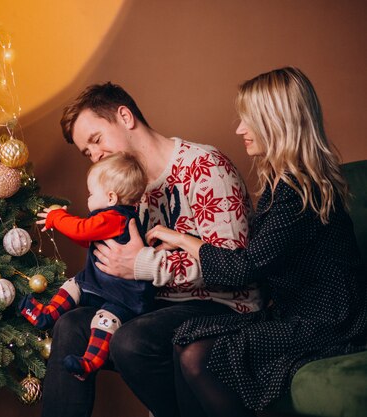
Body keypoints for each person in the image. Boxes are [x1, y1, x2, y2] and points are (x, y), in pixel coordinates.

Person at [144, 67, 367, 416]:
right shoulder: (283, 183)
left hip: (330, 318)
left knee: (197, 355)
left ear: (276, 123)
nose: (239, 130)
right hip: (295, 311)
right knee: (186, 338)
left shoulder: (297, 190)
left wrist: (183, 239)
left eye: (248, 120)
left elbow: (245, 268)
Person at [41, 82, 262, 417]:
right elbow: (118, 263)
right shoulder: (124, 189)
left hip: (223, 306)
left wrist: (141, 264)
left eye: (96, 140)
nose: (95, 156)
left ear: (125, 117)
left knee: (131, 340)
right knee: (71, 325)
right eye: (87, 152)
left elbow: (234, 266)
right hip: (153, 304)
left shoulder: (205, 167)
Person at [20, 152, 156, 381]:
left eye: (92, 193)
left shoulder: (114, 217)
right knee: (73, 284)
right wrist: (67, 225)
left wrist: (57, 217)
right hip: (98, 285)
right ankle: (46, 315)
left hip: (121, 297)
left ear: (111, 197)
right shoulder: (115, 218)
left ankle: (89, 362)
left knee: (103, 321)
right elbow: (87, 238)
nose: (88, 198)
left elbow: (82, 230)